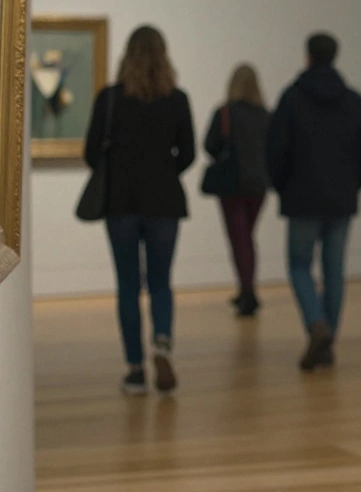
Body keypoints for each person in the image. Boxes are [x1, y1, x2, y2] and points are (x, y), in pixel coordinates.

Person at [83, 25, 195, 396]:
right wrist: (164, 172)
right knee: (161, 281)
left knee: (128, 286)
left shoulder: (110, 98)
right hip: (165, 204)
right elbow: (189, 153)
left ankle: (134, 370)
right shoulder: (177, 99)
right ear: (164, 55)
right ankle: (161, 341)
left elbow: (90, 153)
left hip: (122, 204)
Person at [267, 32, 361, 370]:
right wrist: (352, 185)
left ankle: (317, 326)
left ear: (308, 57)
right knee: (334, 271)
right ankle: (327, 342)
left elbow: (275, 150)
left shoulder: (291, 98)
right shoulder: (354, 101)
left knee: (299, 265)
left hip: (301, 198)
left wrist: (282, 186)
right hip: (341, 199)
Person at [202, 63, 271, 317]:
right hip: (259, 185)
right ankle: (246, 289)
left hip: (231, 185)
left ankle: (248, 292)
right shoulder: (265, 115)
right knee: (247, 237)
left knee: (239, 238)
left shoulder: (225, 113)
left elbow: (209, 145)